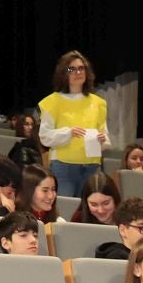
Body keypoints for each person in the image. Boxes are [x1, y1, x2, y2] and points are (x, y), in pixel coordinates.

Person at [37, 51, 110, 198]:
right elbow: (44, 137)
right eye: (72, 69)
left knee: (88, 214)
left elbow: (105, 136)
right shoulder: (52, 102)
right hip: (63, 167)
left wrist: (103, 140)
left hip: (92, 167)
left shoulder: (98, 103)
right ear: (63, 73)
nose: (78, 72)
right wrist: (68, 133)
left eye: (81, 68)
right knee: (65, 212)